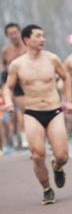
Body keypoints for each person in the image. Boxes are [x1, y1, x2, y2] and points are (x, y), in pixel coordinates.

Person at [4, 24, 72, 204]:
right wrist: (9, 102)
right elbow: (8, 87)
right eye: (38, 36)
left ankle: (57, 167)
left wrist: (68, 100)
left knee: (62, 156)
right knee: (37, 155)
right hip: (32, 113)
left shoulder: (52, 59)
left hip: (54, 111)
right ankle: (46, 188)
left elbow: (66, 77)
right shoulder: (17, 64)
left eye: (43, 35)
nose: (42, 39)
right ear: (27, 40)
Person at [2, 22, 28, 150]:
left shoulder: (28, 46)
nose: (13, 36)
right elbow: (3, 69)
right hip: (16, 85)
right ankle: (24, 141)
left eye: (15, 33)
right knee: (23, 112)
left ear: (20, 32)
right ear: (7, 36)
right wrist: (6, 90)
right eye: (10, 34)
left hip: (31, 82)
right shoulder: (6, 51)